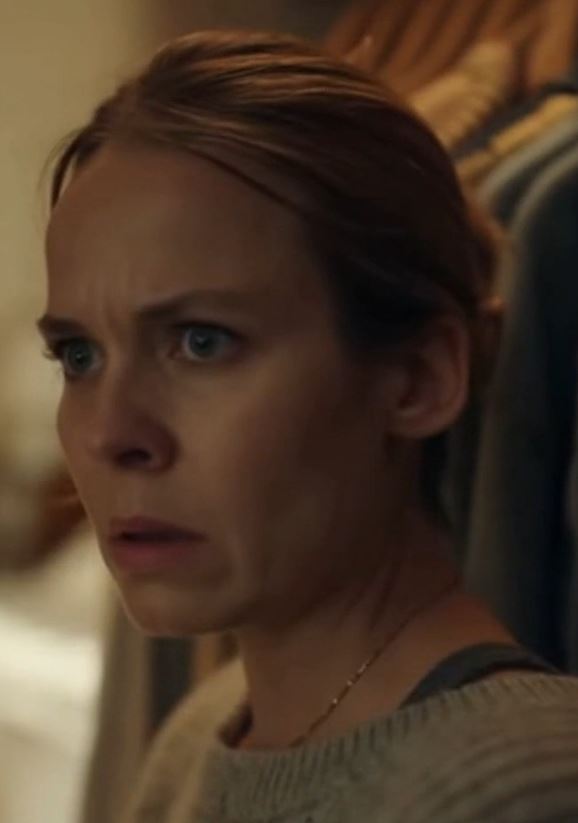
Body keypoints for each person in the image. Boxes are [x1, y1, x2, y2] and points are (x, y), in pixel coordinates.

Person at [39, 29, 578, 823]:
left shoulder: (519, 787)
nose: (108, 432)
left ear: (420, 378)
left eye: (202, 341)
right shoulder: (206, 732)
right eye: (80, 355)